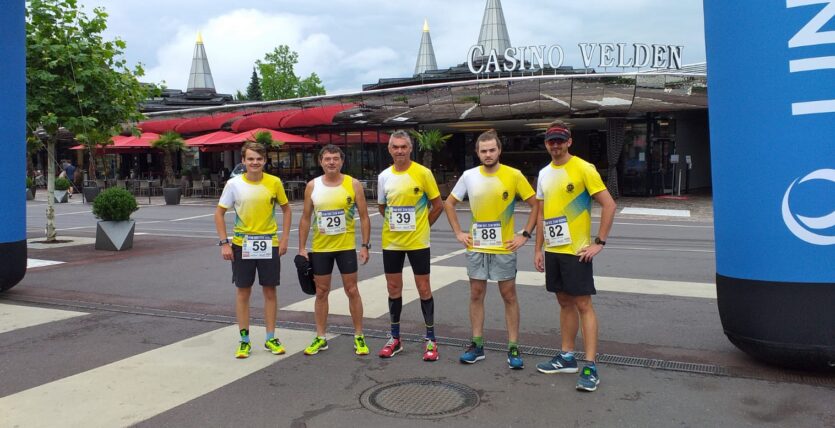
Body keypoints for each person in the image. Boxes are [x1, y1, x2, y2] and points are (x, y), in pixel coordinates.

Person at [533, 121, 616, 392]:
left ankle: (590, 365)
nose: (555, 145)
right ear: (546, 144)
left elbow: (609, 204)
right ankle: (567, 356)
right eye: (551, 141)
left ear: (569, 141)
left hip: (577, 251)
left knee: (583, 305)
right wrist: (538, 249)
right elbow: (542, 214)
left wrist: (599, 242)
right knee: (564, 302)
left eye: (560, 140)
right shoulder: (544, 173)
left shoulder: (584, 168)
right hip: (554, 250)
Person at [444, 129, 538, 370]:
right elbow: (449, 203)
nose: (488, 154)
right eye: (483, 151)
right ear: (477, 153)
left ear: (499, 150)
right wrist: (458, 232)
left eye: (492, 150)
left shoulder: (514, 175)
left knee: (509, 295)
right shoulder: (469, 176)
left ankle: (513, 346)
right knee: (476, 294)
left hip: (504, 248)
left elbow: (536, 204)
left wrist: (525, 234)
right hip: (477, 246)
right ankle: (477, 345)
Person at [213, 142, 292, 359]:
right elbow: (219, 213)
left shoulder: (274, 182)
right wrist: (224, 243)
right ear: (243, 161)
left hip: (269, 243)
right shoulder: (234, 184)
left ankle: (270, 338)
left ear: (265, 161)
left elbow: (286, 210)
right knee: (243, 292)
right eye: (250, 159)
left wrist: (284, 239)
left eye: (259, 159)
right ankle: (244, 340)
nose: (255, 162)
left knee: (270, 291)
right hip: (242, 244)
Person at [376, 131, 444, 361]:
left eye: (403, 146)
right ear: (389, 149)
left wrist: (423, 225)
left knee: (423, 288)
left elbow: (438, 205)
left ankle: (431, 339)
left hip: (418, 242)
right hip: (392, 242)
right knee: (393, 288)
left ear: (410, 148)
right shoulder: (384, 176)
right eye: (395, 147)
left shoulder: (423, 173)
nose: (400, 151)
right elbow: (382, 207)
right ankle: (395, 338)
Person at [298, 144, 372, 356]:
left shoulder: (353, 184)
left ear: (342, 161)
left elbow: (364, 216)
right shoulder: (312, 186)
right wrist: (302, 248)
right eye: (327, 159)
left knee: (352, 290)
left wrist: (365, 245)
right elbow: (305, 218)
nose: (331, 162)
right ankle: (320, 337)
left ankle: (359, 335)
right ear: (321, 162)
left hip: (345, 247)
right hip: (321, 248)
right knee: (321, 292)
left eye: (335, 158)